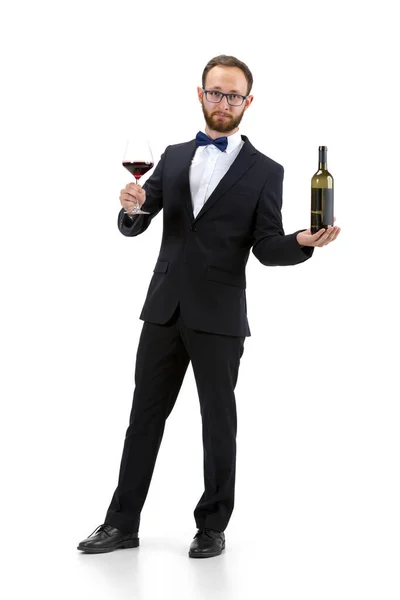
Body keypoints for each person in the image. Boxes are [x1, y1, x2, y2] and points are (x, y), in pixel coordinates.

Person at [77, 54, 340, 559]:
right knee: (143, 419)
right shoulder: (174, 156)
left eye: (233, 95)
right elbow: (139, 220)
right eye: (215, 93)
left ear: (248, 101)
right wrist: (129, 208)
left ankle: (212, 525)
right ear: (201, 94)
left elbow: (265, 246)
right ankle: (120, 523)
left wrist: (302, 241)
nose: (224, 103)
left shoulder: (266, 171)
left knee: (218, 422)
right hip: (163, 310)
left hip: (220, 315)